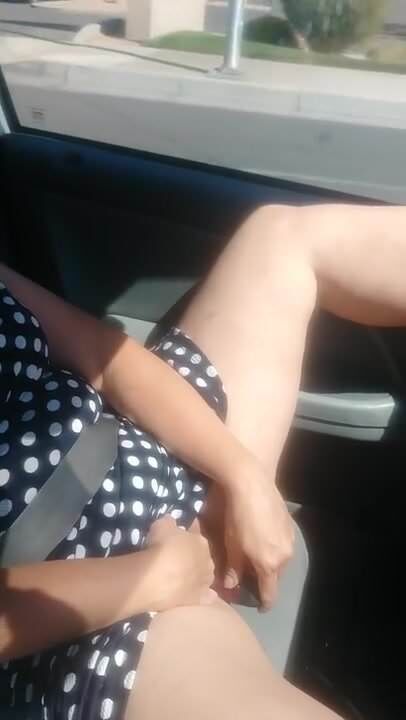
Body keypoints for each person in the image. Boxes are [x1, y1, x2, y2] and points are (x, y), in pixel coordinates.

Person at [3, 199, 396, 720]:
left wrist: (241, 473)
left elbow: (103, 357)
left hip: (137, 448)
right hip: (89, 609)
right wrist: (156, 576)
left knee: (282, 238)